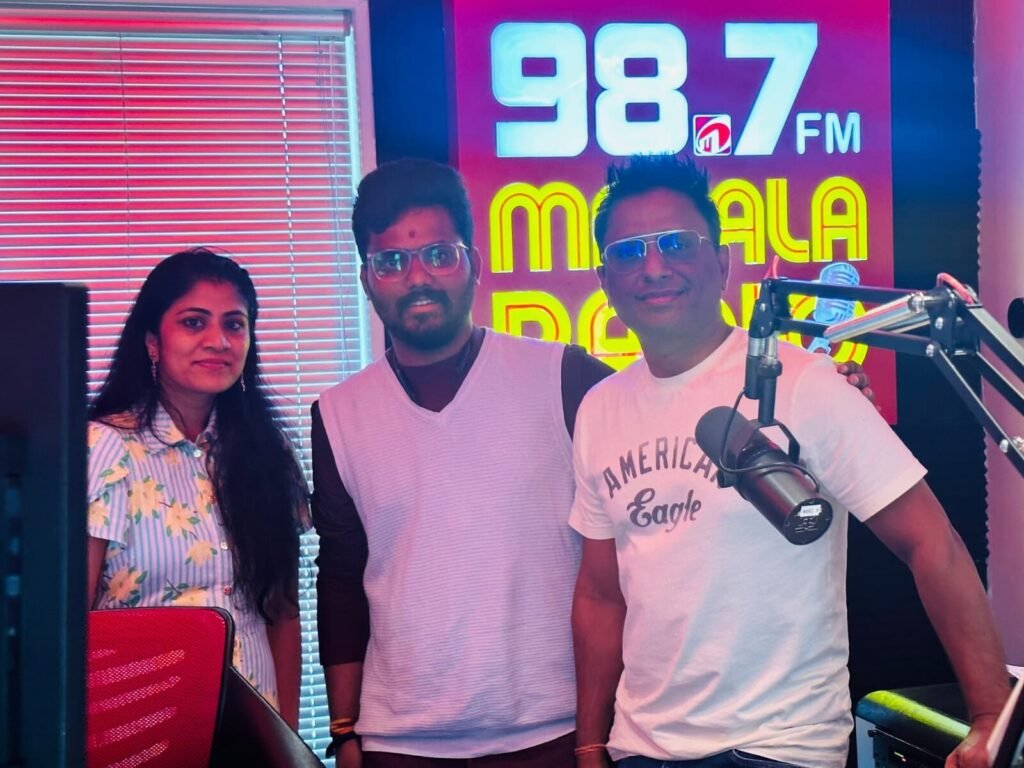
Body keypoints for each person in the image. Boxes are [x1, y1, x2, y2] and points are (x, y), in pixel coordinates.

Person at [311, 158, 875, 767]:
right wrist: (344, 730)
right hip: (400, 743)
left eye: (438, 255)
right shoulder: (338, 414)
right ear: (366, 278)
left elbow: (673, 402)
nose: (418, 277)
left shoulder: (563, 375)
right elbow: (340, 576)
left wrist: (823, 396)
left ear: (473, 263)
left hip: (555, 733)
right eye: (391, 261)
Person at [569, 154, 1009, 768]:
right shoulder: (601, 409)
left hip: (777, 747)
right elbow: (600, 595)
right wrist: (590, 742)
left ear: (722, 262)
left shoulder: (802, 383)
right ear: (604, 278)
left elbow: (931, 542)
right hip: (640, 748)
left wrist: (990, 718)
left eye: (675, 242)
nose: (653, 266)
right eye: (628, 252)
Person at [86, 247, 308, 728]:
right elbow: (67, 625)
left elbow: (283, 614)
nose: (218, 341)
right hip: (143, 729)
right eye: (193, 322)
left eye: (234, 324)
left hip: (254, 733)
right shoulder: (104, 449)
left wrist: (289, 744)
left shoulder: (269, 453)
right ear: (152, 342)